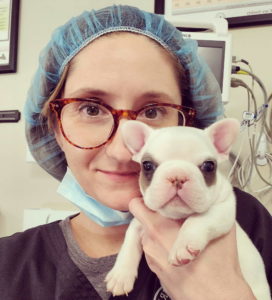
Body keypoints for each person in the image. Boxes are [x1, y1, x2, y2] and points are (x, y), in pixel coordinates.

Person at [0, 5, 271, 300]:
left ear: (190, 125)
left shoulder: (246, 219)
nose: (122, 152)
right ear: (54, 127)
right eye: (91, 109)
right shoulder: (8, 268)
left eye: (153, 111)